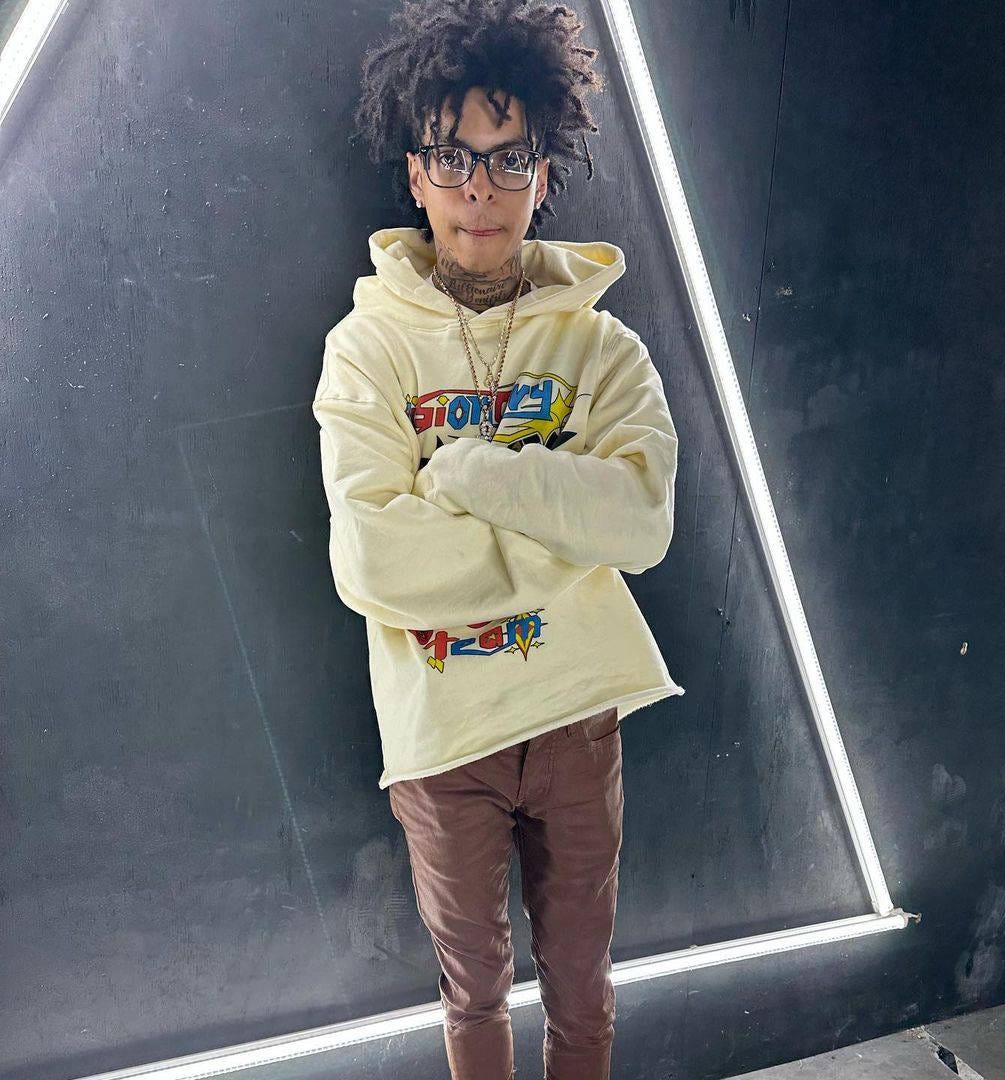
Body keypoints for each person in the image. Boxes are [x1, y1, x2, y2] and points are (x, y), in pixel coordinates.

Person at [311, 1, 683, 1076]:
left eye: (508, 157)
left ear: (543, 172)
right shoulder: (367, 351)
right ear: (416, 174)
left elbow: (642, 522)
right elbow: (373, 560)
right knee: (472, 992)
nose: (479, 189)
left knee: (583, 986)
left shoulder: (604, 351)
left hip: (577, 717)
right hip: (442, 735)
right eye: (452, 157)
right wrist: (566, 534)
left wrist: (471, 475)